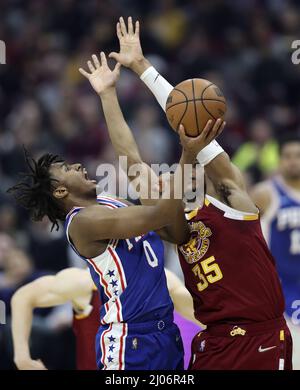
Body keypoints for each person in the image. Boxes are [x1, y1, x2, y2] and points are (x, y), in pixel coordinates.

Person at [8, 48, 220, 370]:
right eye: (66, 168)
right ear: (61, 191)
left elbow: (175, 229)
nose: (77, 165)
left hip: (166, 337)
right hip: (129, 345)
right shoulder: (83, 223)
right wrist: (187, 157)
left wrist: (107, 93)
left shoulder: (110, 201)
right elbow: (159, 216)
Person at [104, 16, 293, 370]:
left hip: (259, 339)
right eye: (158, 183)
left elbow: (197, 132)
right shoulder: (172, 223)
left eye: (168, 178)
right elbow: (130, 159)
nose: (158, 182)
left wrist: (143, 68)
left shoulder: (233, 202)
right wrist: (107, 93)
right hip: (212, 344)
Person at [11, 267, 200, 370]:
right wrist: (22, 357)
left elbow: (203, 316)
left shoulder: (162, 278)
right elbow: (23, 297)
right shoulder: (84, 282)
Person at [251, 134, 300, 370]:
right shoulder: (265, 193)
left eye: (298, 156)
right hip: (280, 296)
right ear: (279, 160)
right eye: (287, 156)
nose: (292, 161)